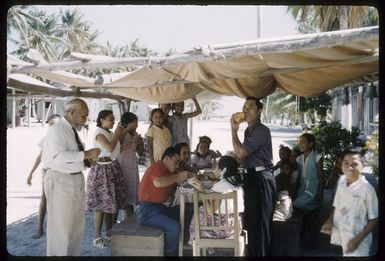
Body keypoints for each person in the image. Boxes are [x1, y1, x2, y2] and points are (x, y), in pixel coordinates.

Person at [41, 98, 101, 256]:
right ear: (72, 113)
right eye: (84, 116)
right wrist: (86, 154)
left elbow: (72, 155)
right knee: (61, 230)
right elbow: (60, 157)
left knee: (75, 228)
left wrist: (87, 161)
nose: (86, 119)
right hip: (61, 181)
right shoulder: (57, 130)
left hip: (74, 179)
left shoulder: (71, 129)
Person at [230, 96, 276, 257]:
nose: (245, 110)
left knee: (261, 225)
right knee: (252, 222)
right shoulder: (249, 130)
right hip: (252, 177)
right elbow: (242, 156)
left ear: (259, 111)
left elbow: (241, 152)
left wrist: (233, 130)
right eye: (244, 106)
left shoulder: (261, 130)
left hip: (261, 178)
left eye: (250, 107)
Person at [135, 147, 195, 256]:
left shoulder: (167, 171)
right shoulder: (157, 167)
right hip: (146, 210)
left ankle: (185, 246)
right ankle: (169, 253)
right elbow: (158, 182)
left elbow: (167, 188)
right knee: (174, 227)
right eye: (176, 162)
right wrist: (178, 176)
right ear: (167, 158)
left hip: (158, 207)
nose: (177, 166)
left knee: (188, 215)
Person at [320, 147, 378, 256]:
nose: (349, 167)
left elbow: (373, 219)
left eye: (354, 164)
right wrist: (329, 220)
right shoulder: (342, 183)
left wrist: (357, 240)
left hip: (360, 243)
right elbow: (338, 206)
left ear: (362, 165)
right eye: (346, 163)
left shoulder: (367, 190)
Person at [86, 110, 126, 249]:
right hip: (102, 171)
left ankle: (109, 233)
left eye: (113, 119)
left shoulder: (108, 132)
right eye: (110, 119)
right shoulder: (99, 133)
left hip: (111, 169)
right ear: (101, 120)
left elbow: (114, 148)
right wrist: (117, 134)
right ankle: (97, 237)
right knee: (100, 206)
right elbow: (109, 147)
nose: (113, 121)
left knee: (110, 205)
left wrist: (118, 134)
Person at [188, 155, 244, 245]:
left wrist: (202, 192)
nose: (215, 169)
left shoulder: (219, 187)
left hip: (219, 230)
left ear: (222, 170)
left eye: (216, 167)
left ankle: (197, 244)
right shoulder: (239, 186)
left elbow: (210, 212)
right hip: (235, 229)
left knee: (199, 211)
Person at [26, 114, 61, 239]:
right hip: (47, 171)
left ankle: (55, 229)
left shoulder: (62, 138)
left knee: (59, 201)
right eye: (50, 124)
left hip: (61, 172)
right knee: (44, 199)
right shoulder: (46, 139)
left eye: (55, 124)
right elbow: (39, 157)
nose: (52, 126)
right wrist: (31, 173)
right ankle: (40, 228)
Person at [293, 133, 324, 250]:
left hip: (313, 189)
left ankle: (308, 237)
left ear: (311, 144)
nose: (300, 144)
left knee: (297, 205)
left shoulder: (317, 157)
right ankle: (310, 240)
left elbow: (321, 176)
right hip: (302, 189)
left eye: (303, 142)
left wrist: (320, 191)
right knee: (309, 216)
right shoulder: (299, 158)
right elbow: (297, 175)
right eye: (299, 142)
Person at [117, 112, 144, 217]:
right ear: (127, 123)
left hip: (132, 165)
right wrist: (127, 129)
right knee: (124, 191)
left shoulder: (135, 134)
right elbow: (117, 144)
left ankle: (129, 217)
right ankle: (125, 218)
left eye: (136, 122)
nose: (136, 124)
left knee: (131, 191)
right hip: (123, 164)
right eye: (134, 122)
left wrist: (139, 142)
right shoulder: (120, 130)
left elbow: (140, 152)